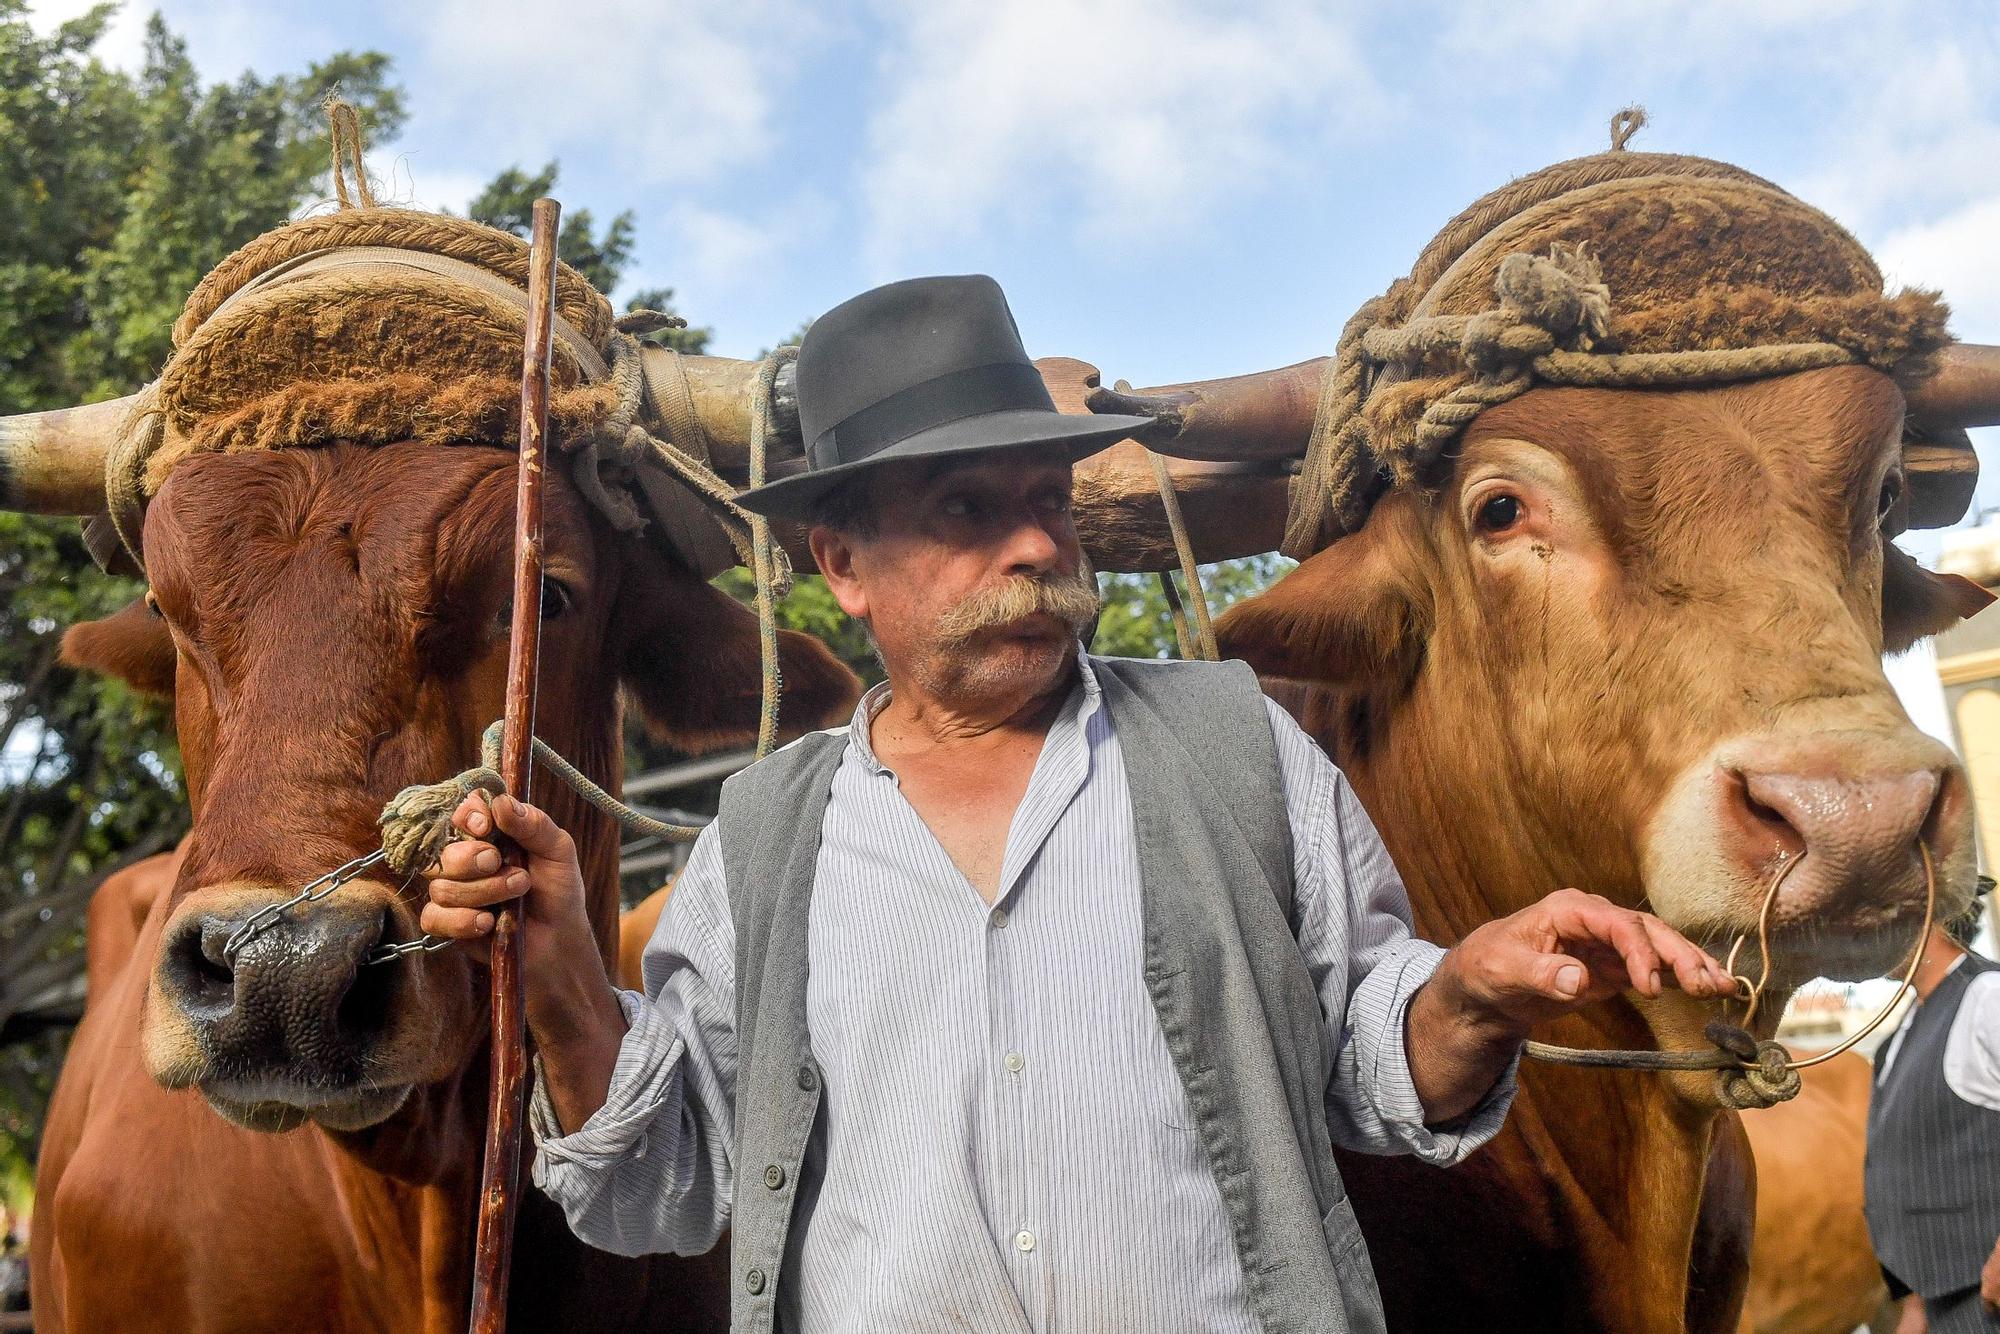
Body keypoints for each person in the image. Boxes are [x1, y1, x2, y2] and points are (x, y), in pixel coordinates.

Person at [421, 275, 1737, 1333]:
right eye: (965, 508)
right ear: (843, 565)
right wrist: (566, 984)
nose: (1040, 543)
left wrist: (1468, 993)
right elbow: (667, 1183)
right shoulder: (762, 837)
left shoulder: (1239, 744)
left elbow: (1374, 1063)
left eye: (1047, 500)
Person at [1866, 885, 2000, 1334]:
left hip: (1989, 1294)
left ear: (1926, 917)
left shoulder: (1988, 995)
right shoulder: (1898, 1035)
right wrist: (1916, 1305)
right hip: (1941, 1303)